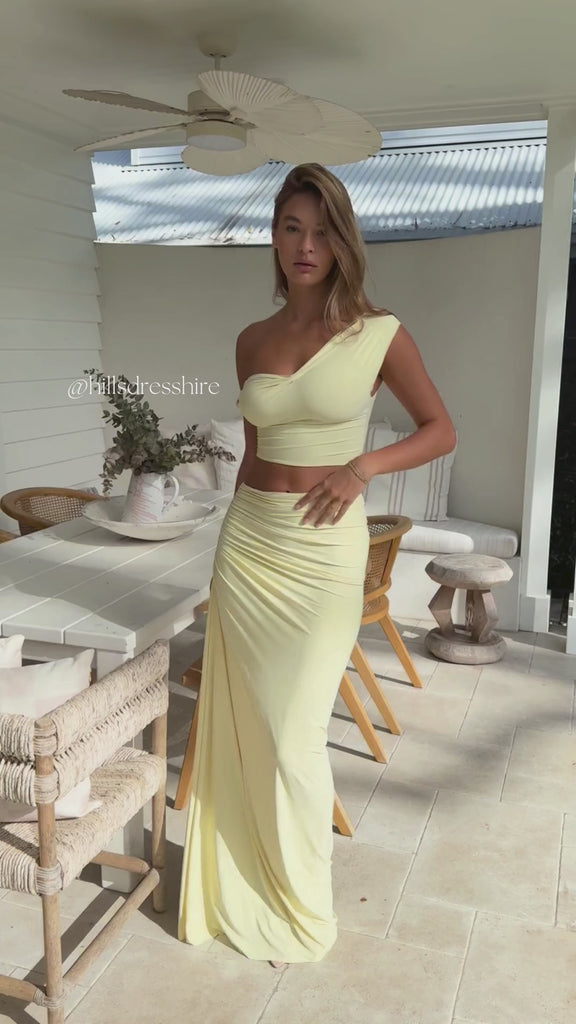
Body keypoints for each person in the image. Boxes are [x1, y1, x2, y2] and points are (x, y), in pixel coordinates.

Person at [178, 163, 456, 969]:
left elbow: (440, 430)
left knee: (294, 734)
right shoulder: (251, 341)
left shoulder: (379, 332)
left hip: (323, 550)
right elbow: (254, 451)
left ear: (342, 242)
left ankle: (296, 902)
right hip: (250, 545)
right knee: (246, 721)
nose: (306, 245)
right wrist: (227, 546)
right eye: (292, 228)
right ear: (274, 238)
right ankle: (241, 880)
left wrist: (362, 468)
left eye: (322, 231)